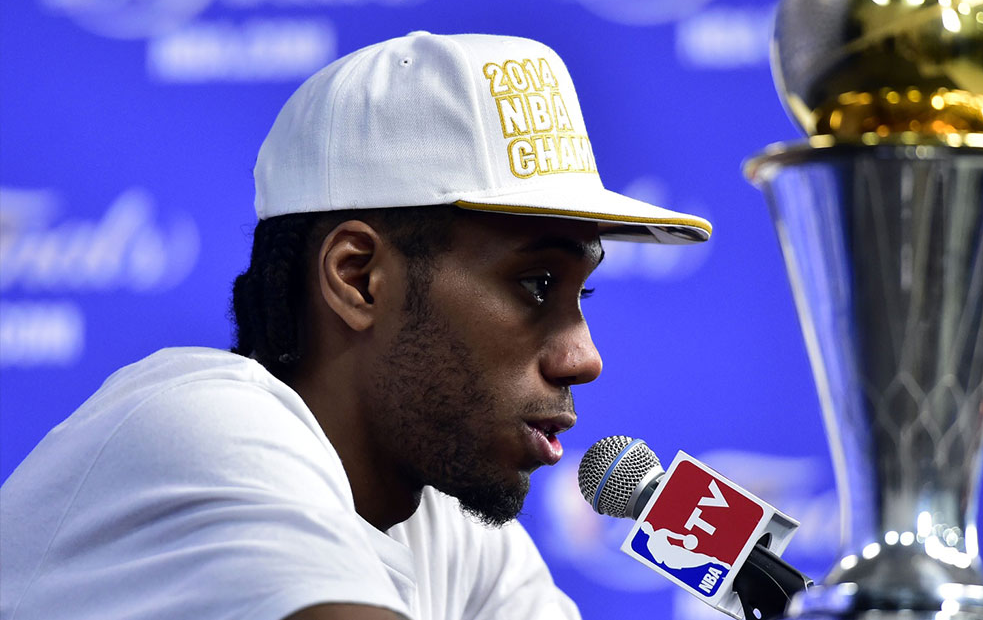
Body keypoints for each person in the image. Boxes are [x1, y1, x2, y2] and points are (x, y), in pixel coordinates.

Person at [0, 32, 711, 620]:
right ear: (357, 277)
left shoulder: (453, 529)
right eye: (534, 285)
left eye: (582, 294)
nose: (584, 358)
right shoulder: (201, 425)